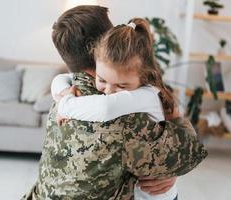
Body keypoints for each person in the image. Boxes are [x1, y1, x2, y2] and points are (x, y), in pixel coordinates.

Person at [21, 5, 207, 200]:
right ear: (101, 47)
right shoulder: (126, 120)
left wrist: (63, 97)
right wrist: (171, 168)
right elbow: (186, 153)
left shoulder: (58, 102)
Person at [51, 18, 183, 200]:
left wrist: (64, 103)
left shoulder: (145, 95)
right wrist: (62, 90)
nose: (110, 91)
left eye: (121, 86)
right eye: (102, 80)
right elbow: (62, 77)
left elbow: (106, 107)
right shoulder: (112, 73)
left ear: (143, 77)